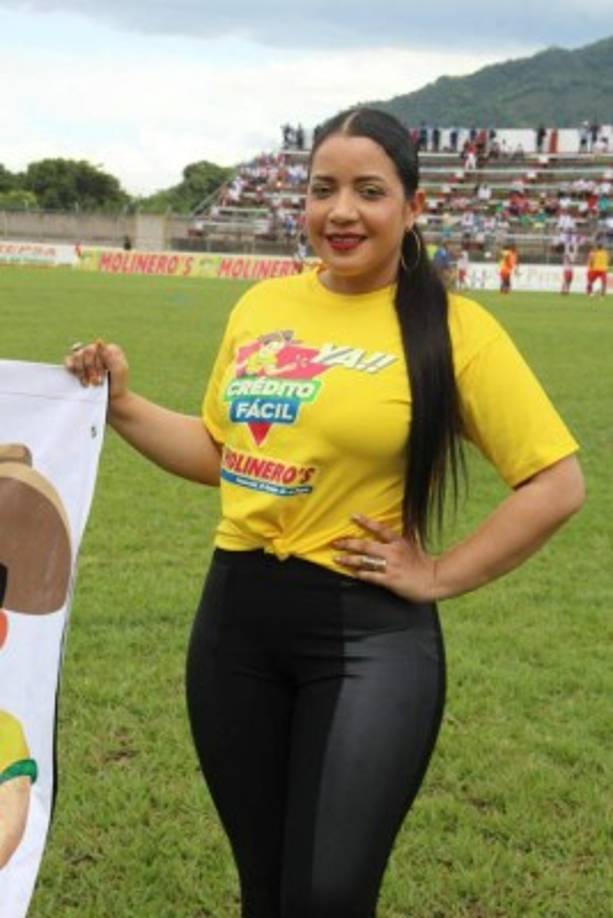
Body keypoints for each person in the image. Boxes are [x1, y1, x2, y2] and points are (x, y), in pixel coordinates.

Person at [65, 108, 584, 917]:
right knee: (267, 889)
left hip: (366, 638)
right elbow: (220, 453)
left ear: (412, 208)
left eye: (368, 191)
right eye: (322, 190)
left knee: (328, 897)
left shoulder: (455, 329)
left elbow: (555, 483)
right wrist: (123, 404)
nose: (340, 211)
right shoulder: (262, 310)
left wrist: (439, 572)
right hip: (234, 624)